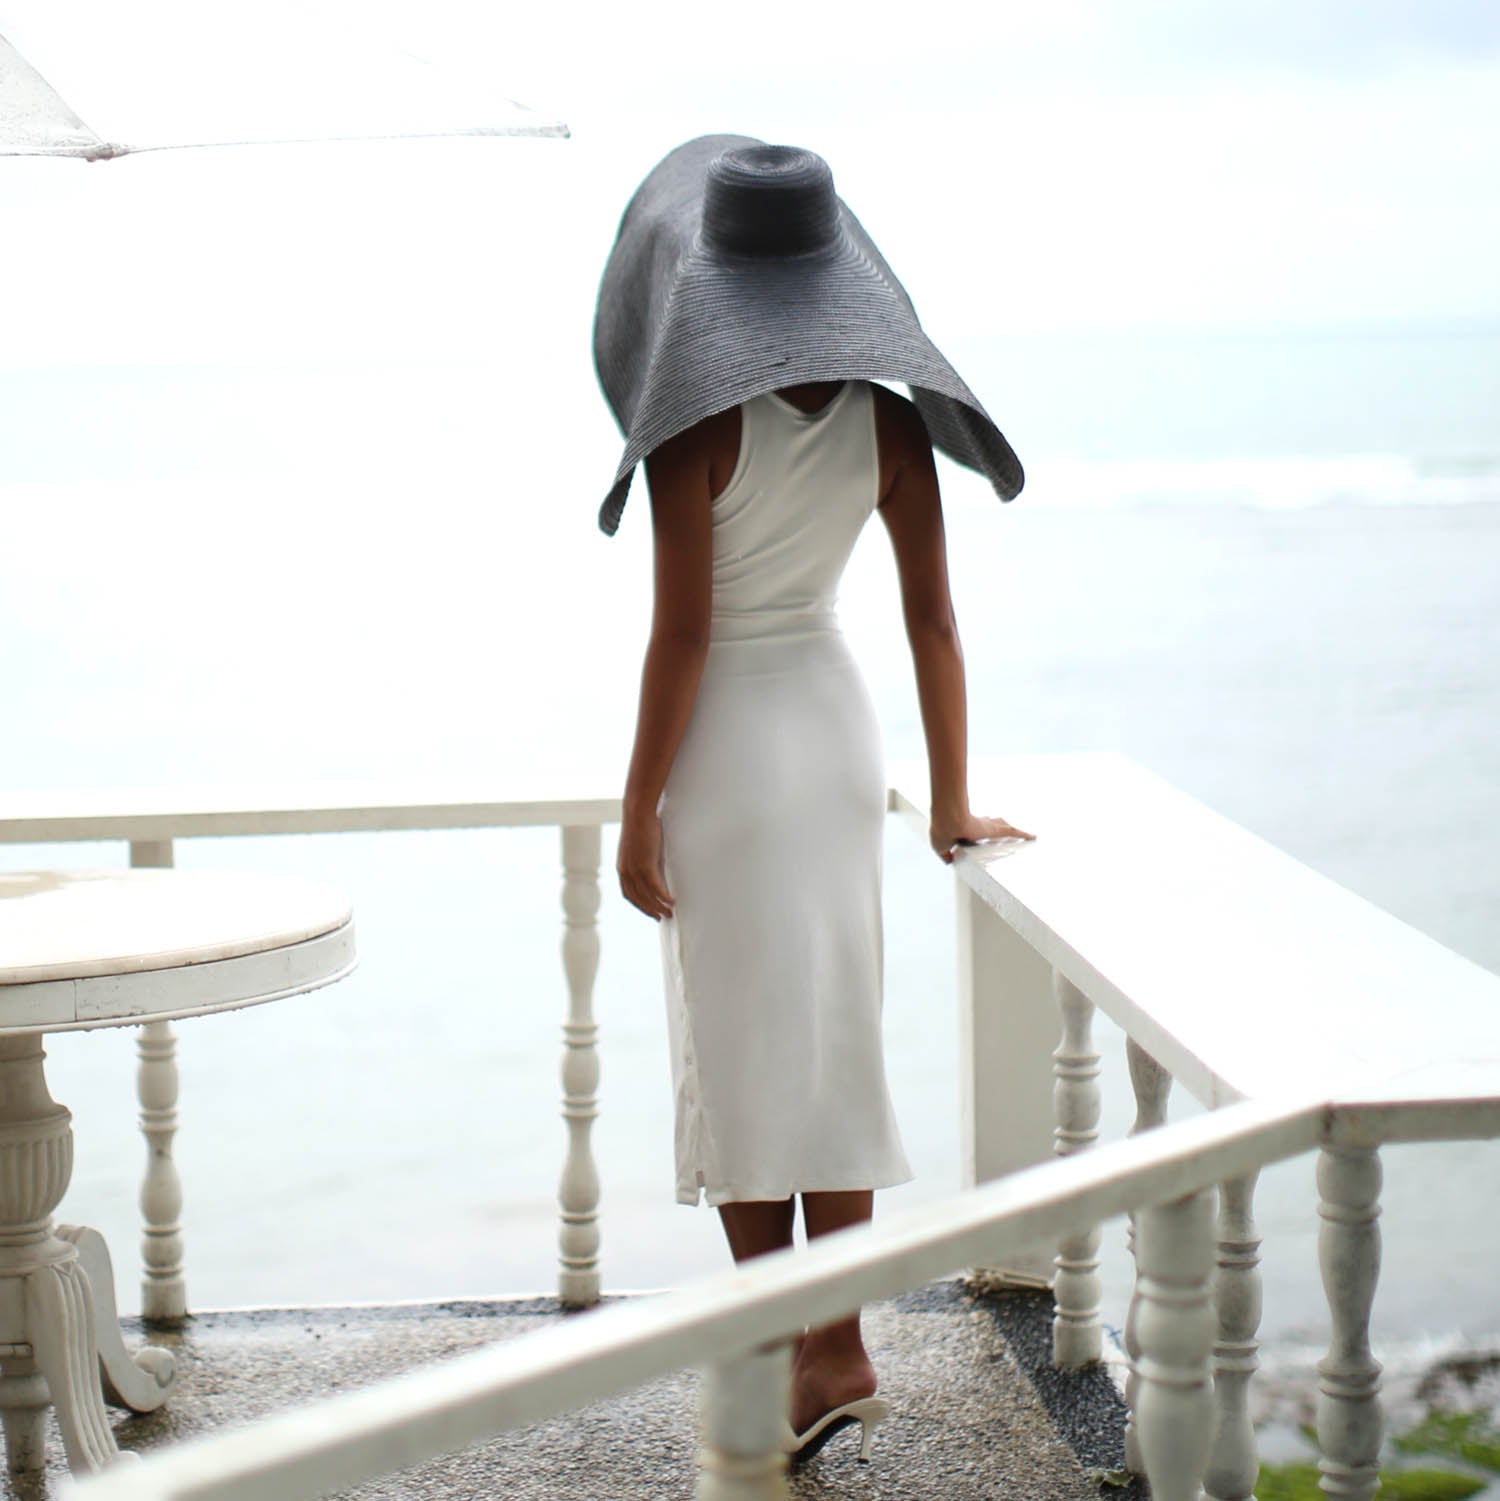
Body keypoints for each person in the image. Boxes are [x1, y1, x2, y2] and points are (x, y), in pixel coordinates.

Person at [593, 135, 1033, 1463]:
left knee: (739, 1046)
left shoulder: (693, 431)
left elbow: (683, 636)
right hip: (837, 738)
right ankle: (836, 1339)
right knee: (837, 1029)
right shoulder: (892, 425)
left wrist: (636, 808)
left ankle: (780, 1338)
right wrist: (950, 799)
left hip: (728, 748)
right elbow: (934, 622)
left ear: (714, 288)